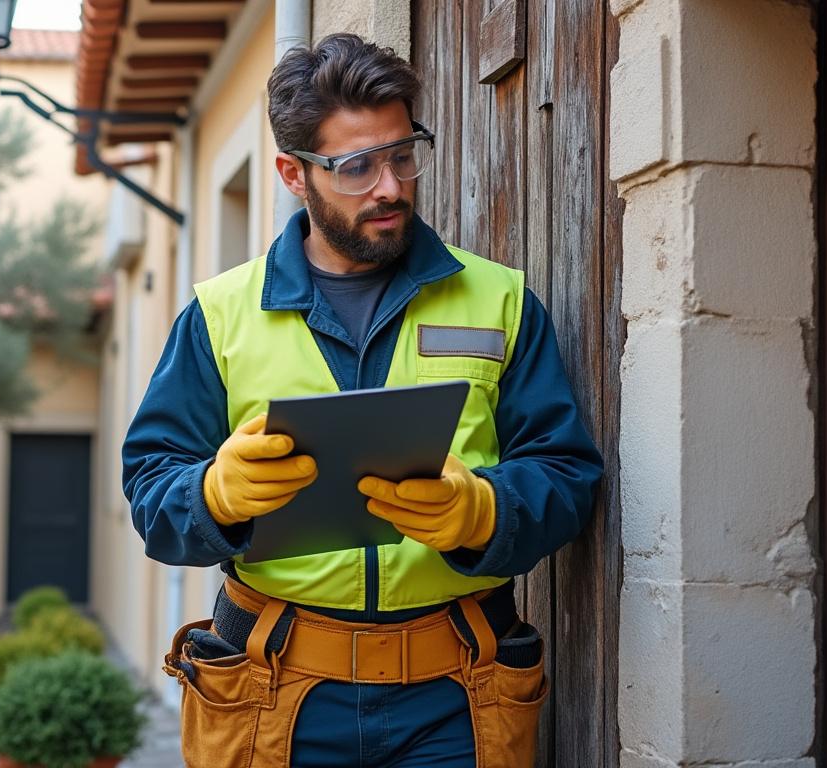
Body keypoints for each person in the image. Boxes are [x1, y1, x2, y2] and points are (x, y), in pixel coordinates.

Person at [122, 33, 603, 768]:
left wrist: (483, 510)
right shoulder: (219, 315)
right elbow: (152, 490)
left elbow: (567, 474)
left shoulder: (501, 300)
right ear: (292, 173)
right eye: (356, 166)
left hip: (460, 693)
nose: (390, 186)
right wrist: (214, 494)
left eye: (403, 155)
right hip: (272, 691)